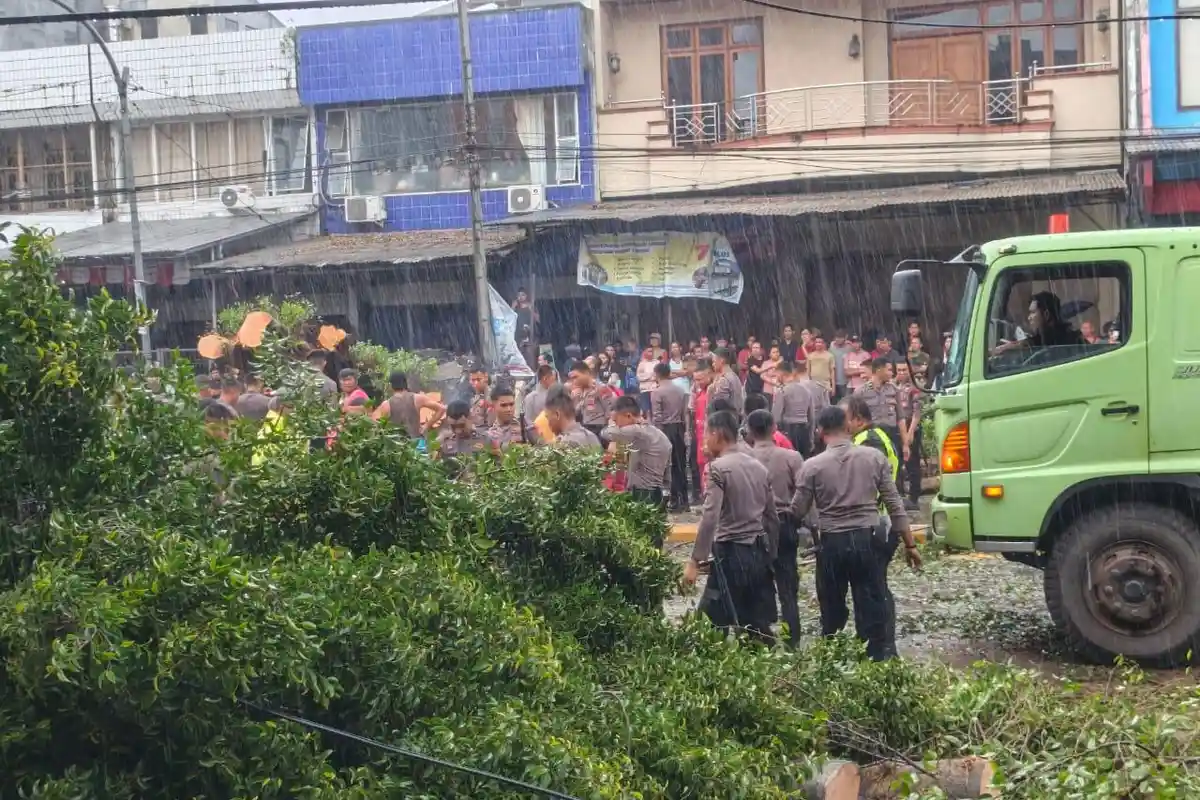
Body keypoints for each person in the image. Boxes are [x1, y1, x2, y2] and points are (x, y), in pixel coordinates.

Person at [790, 406, 920, 661]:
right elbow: (894, 504)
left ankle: (835, 662)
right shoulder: (873, 458)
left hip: (831, 545)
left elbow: (797, 510)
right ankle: (874, 660)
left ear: (820, 432)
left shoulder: (812, 466)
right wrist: (910, 545)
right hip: (868, 540)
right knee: (871, 603)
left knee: (832, 609)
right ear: (847, 427)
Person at [682, 410, 779, 643]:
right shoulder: (758, 467)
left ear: (716, 434)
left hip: (730, 553)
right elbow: (772, 517)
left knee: (711, 622)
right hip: (757, 552)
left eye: (706, 434)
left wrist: (695, 561)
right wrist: (770, 556)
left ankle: (713, 669)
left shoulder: (718, 468)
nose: (704, 440)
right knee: (753, 618)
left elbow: (710, 517)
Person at [744, 409, 805, 646]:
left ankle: (762, 637)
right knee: (788, 589)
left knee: (758, 585)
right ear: (774, 429)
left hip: (753, 527)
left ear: (749, 431)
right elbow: (803, 494)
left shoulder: (745, 459)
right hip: (784, 524)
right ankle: (793, 643)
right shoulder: (791, 458)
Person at [603, 395, 673, 521]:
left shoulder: (637, 431)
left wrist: (611, 424)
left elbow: (606, 433)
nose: (617, 425)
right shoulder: (654, 432)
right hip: (656, 490)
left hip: (644, 493)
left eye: (616, 420)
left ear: (629, 416)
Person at [650, 361, 690, 511]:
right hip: (679, 427)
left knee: (668, 466)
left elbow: (657, 417)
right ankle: (684, 500)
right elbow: (685, 412)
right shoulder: (680, 390)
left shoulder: (657, 392)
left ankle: (673, 500)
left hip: (665, 429)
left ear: (657, 374)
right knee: (680, 465)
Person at [992, 291, 1085, 354]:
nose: (1029, 318)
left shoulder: (1071, 342)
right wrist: (1005, 348)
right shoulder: (1042, 338)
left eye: (1033, 312)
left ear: (1046, 315)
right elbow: (1026, 344)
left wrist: (1001, 349)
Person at [855, 358, 902, 458]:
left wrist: (905, 443)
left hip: (891, 434)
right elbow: (855, 416)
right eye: (889, 370)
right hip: (871, 436)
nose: (892, 373)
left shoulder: (894, 389)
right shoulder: (860, 391)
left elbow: (901, 417)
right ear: (879, 370)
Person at [374, 371, 444, 437]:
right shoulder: (417, 398)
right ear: (405, 382)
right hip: (417, 443)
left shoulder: (386, 405)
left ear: (390, 385)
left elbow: (382, 427)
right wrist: (426, 426)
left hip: (399, 447)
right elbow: (441, 409)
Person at [771, 361, 819, 457]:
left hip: (788, 431)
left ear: (781, 374)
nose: (776, 379)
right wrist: (811, 438)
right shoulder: (807, 391)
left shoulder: (782, 391)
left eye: (776, 376)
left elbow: (776, 417)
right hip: (804, 430)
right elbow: (812, 417)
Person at [437, 398, 499, 468]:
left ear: (470, 418)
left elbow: (498, 467)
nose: (458, 431)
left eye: (461, 425)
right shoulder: (444, 443)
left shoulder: (486, 440)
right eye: (453, 426)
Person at [894, 362, 924, 510]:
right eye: (899, 370)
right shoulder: (893, 387)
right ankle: (900, 496)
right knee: (897, 464)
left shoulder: (915, 389)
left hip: (911, 427)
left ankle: (914, 498)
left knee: (912, 465)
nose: (901, 373)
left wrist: (910, 432)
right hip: (897, 428)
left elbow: (917, 413)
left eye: (904, 370)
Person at [544, 384, 602, 450]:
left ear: (557, 414)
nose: (548, 423)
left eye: (548, 417)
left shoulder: (562, 446)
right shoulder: (592, 437)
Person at [571, 362, 615, 443]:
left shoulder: (600, 388)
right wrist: (574, 400)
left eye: (576, 377)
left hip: (599, 429)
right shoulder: (579, 391)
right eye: (572, 378)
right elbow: (575, 413)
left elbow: (611, 409)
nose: (574, 381)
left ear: (586, 373)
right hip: (585, 428)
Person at [708, 347, 744, 420]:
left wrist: (710, 391)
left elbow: (719, 406)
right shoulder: (734, 376)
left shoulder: (724, 379)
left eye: (714, 361)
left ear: (721, 361)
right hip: (735, 418)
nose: (712, 364)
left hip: (725, 422)